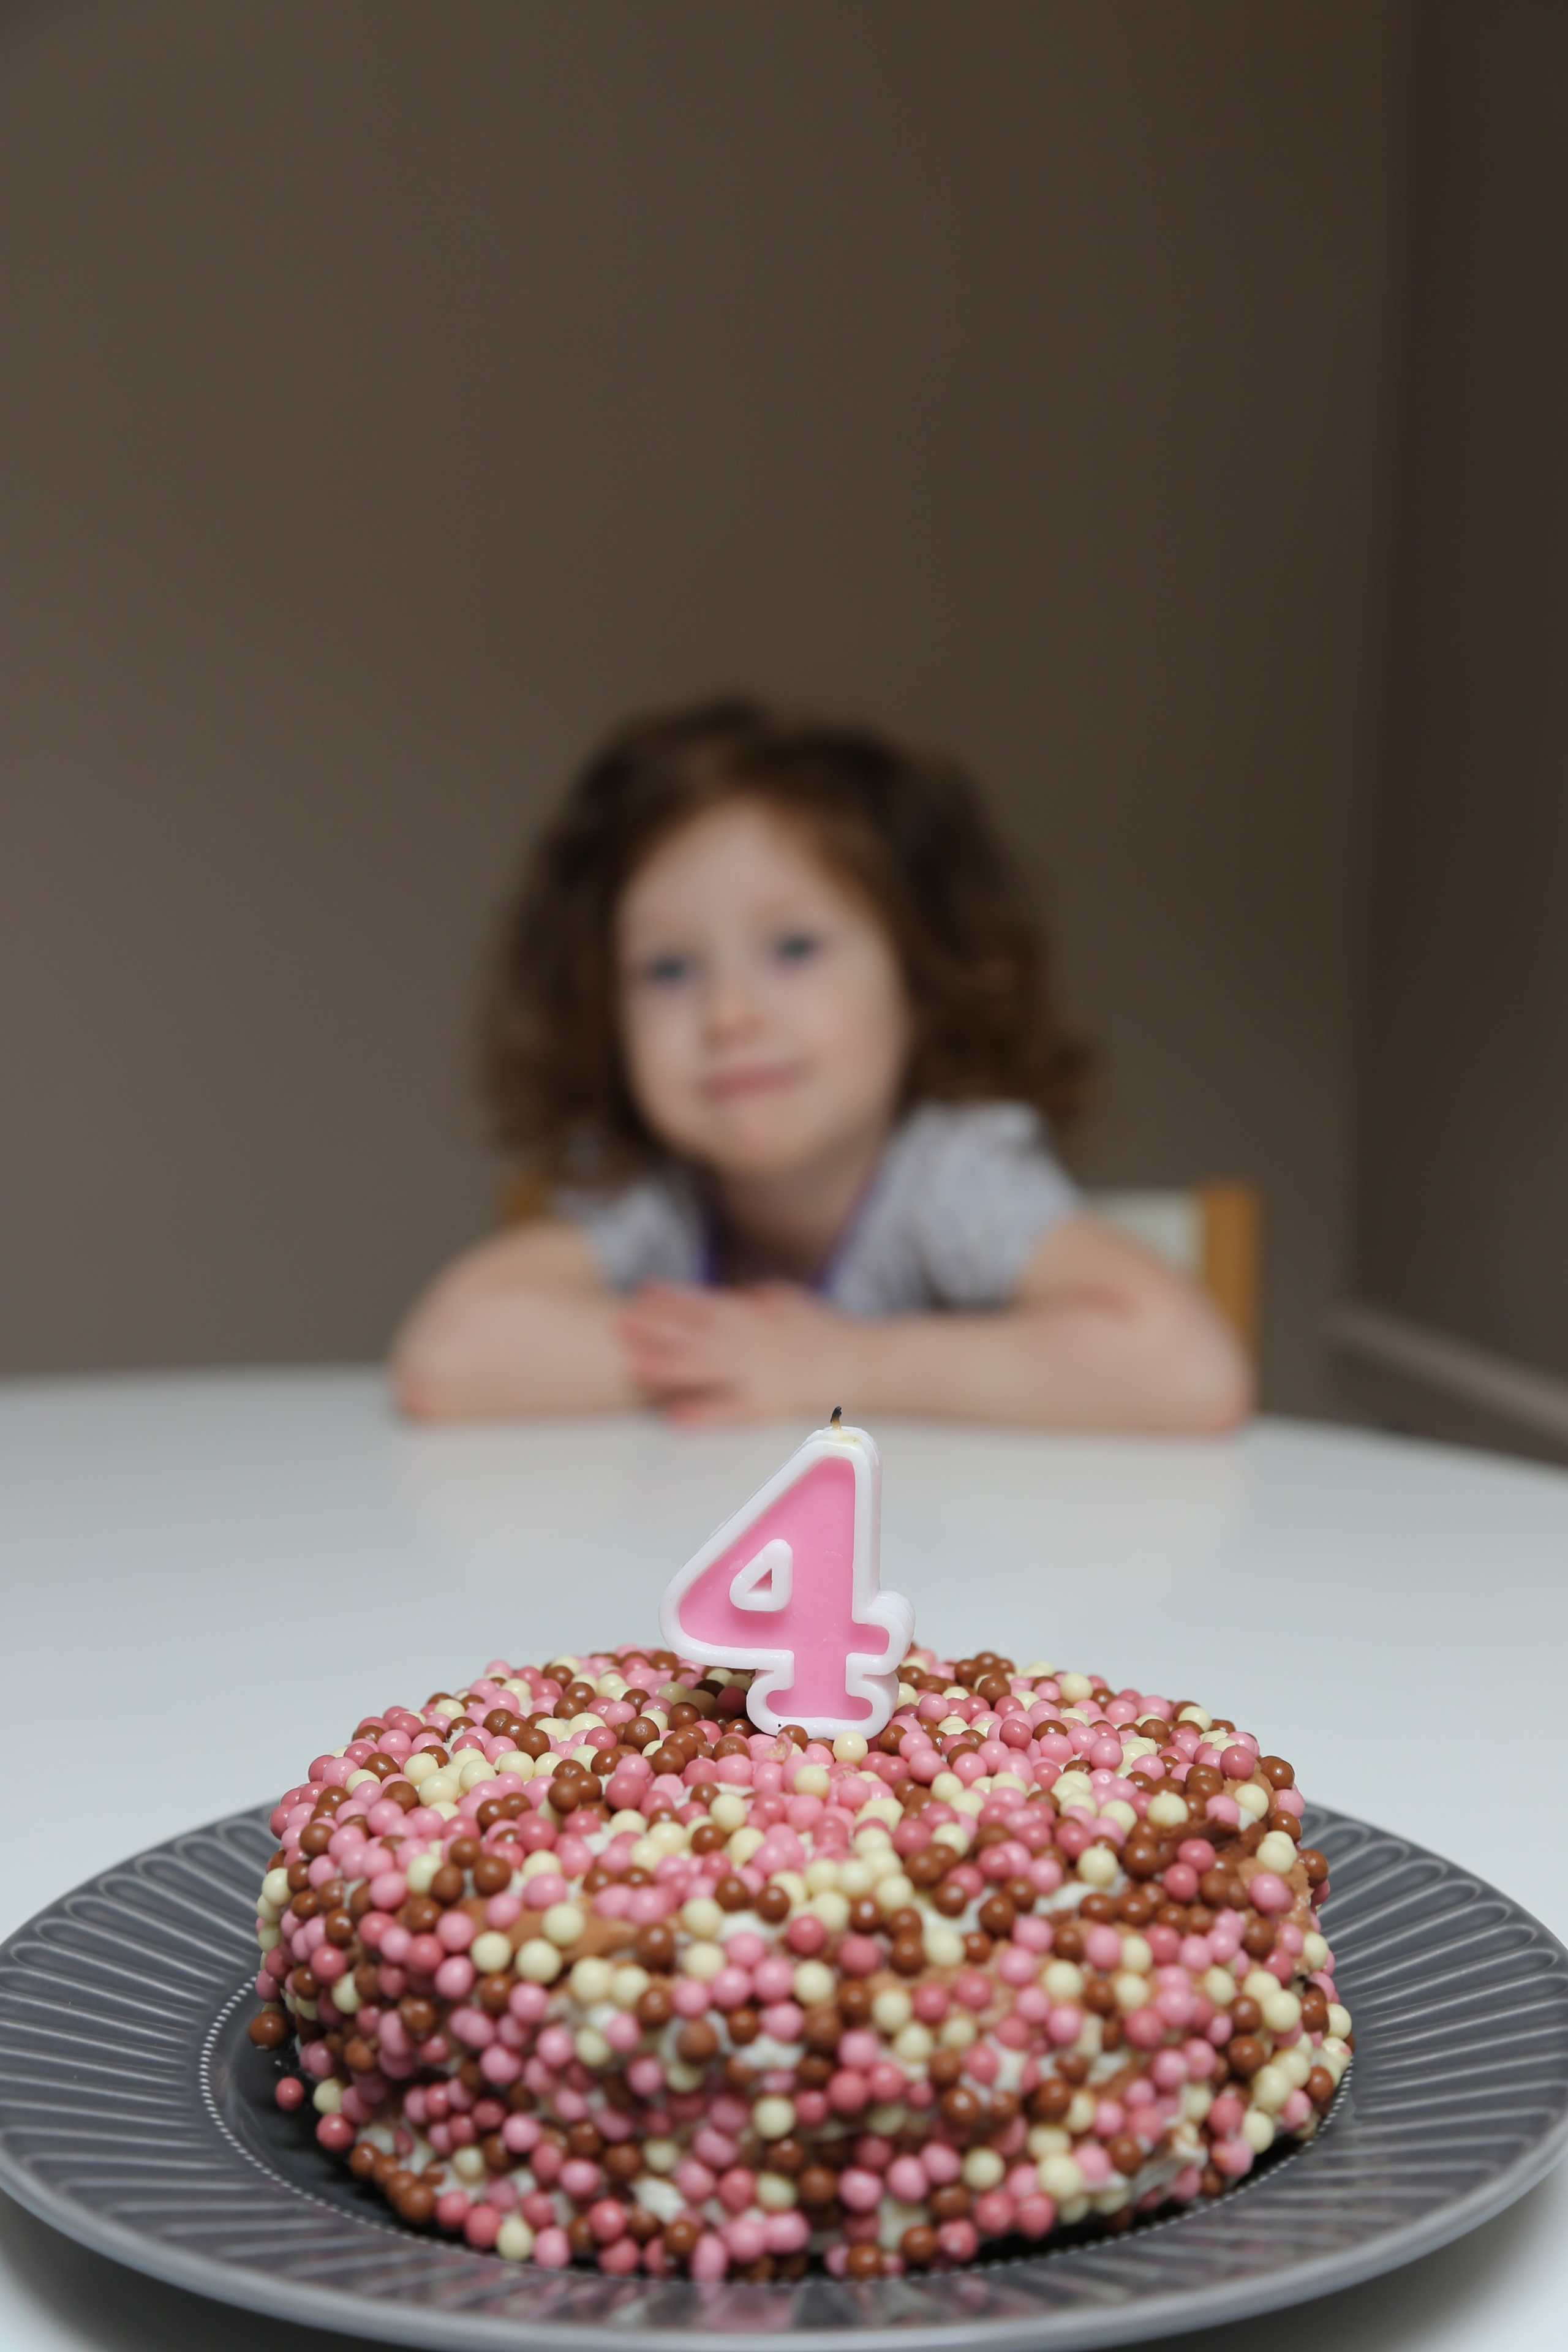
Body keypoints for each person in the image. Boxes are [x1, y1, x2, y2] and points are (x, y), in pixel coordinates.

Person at [392, 699, 1252, 1430]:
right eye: (668, 969)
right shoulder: (658, 1198)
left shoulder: (947, 1181)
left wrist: (843, 1368)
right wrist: (737, 1360)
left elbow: (1189, 1373)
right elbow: (447, 1358)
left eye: (795, 948)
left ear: (923, 979)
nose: (730, 1015)